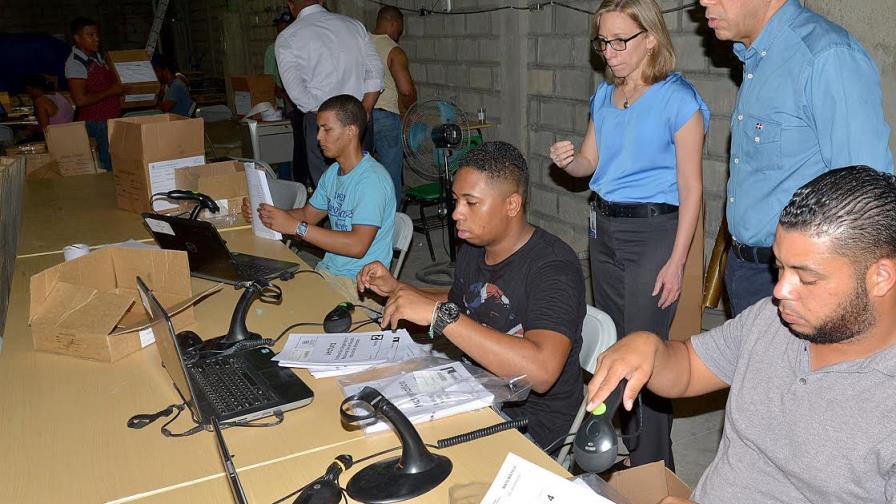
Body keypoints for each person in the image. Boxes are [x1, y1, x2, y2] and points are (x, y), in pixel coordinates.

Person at [587, 166, 896, 504]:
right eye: (779, 266)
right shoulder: (772, 320)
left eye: (806, 278)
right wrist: (649, 349)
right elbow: (689, 368)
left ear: (880, 277)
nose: (779, 290)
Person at [548, 0, 707, 470]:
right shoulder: (604, 96)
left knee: (645, 351)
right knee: (615, 343)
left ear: (651, 39)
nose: (610, 52)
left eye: (621, 40)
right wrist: (568, 159)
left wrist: (677, 262)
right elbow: (589, 164)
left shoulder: (679, 99)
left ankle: (654, 469)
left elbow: (692, 188)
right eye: (604, 42)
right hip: (605, 230)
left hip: (655, 234)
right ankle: (621, 446)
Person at [358, 141, 586, 451]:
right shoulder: (473, 250)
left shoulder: (553, 268)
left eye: (471, 203)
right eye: (455, 201)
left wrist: (438, 315)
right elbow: (461, 304)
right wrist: (398, 289)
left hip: (529, 427)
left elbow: (542, 372)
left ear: (512, 205)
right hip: (472, 392)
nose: (456, 214)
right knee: (371, 418)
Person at [697, 0, 894, 316]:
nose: (704, 1)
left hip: (802, 281)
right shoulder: (758, 59)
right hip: (747, 269)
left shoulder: (826, 56)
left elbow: (867, 195)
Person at [242, 94, 394, 306]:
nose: (319, 137)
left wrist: (296, 227)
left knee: (286, 309)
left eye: (327, 129)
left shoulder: (371, 181)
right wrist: (268, 214)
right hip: (329, 272)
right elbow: (307, 215)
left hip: (359, 285)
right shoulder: (333, 173)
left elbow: (357, 246)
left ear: (351, 131)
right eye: (318, 129)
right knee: (262, 293)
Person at [276, 0, 384, 188]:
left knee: (328, 187)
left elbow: (297, 92)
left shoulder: (287, 37)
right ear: (322, 0)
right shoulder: (354, 25)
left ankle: (336, 217)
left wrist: (328, 121)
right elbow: (375, 70)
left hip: (321, 123)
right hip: (358, 116)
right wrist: (365, 108)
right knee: (363, 181)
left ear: (290, 5)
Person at [64, 17, 126, 171]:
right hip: (97, 123)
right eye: (90, 35)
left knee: (117, 163)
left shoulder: (98, 57)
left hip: (110, 120)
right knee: (107, 166)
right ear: (77, 38)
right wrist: (112, 91)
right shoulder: (76, 63)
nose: (96, 39)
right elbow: (80, 100)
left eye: (97, 34)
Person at [370, 6, 417, 206]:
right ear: (394, 23)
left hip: (359, 115)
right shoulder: (393, 50)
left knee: (367, 174)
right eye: (400, 29)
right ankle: (393, 225)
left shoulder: (360, 43)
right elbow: (406, 90)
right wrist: (411, 110)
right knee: (390, 176)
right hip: (385, 117)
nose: (400, 34)